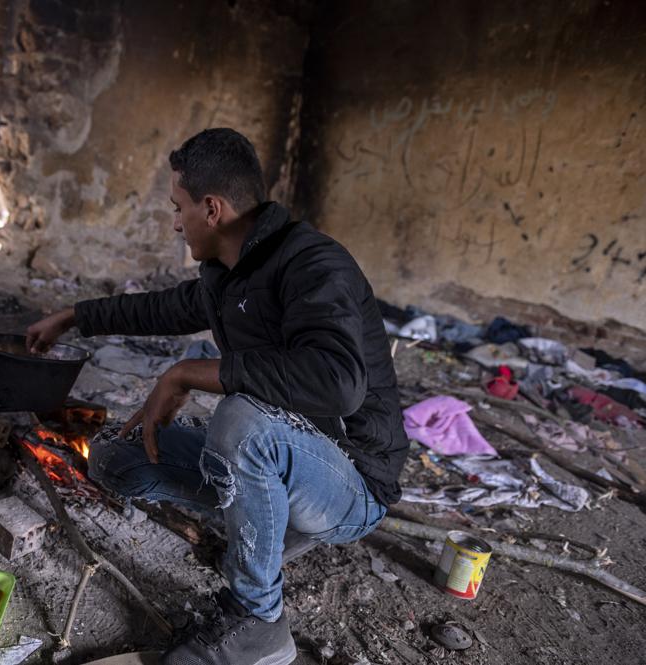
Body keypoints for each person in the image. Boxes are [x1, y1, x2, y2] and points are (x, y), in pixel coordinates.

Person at [25, 128, 409, 665]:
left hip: (352, 481)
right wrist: (72, 317)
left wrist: (186, 373)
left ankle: (259, 621)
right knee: (118, 455)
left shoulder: (315, 264)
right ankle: (269, 528)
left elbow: (338, 382)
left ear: (212, 208)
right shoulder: (227, 274)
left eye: (177, 208)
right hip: (287, 461)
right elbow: (160, 309)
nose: (175, 223)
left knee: (241, 422)